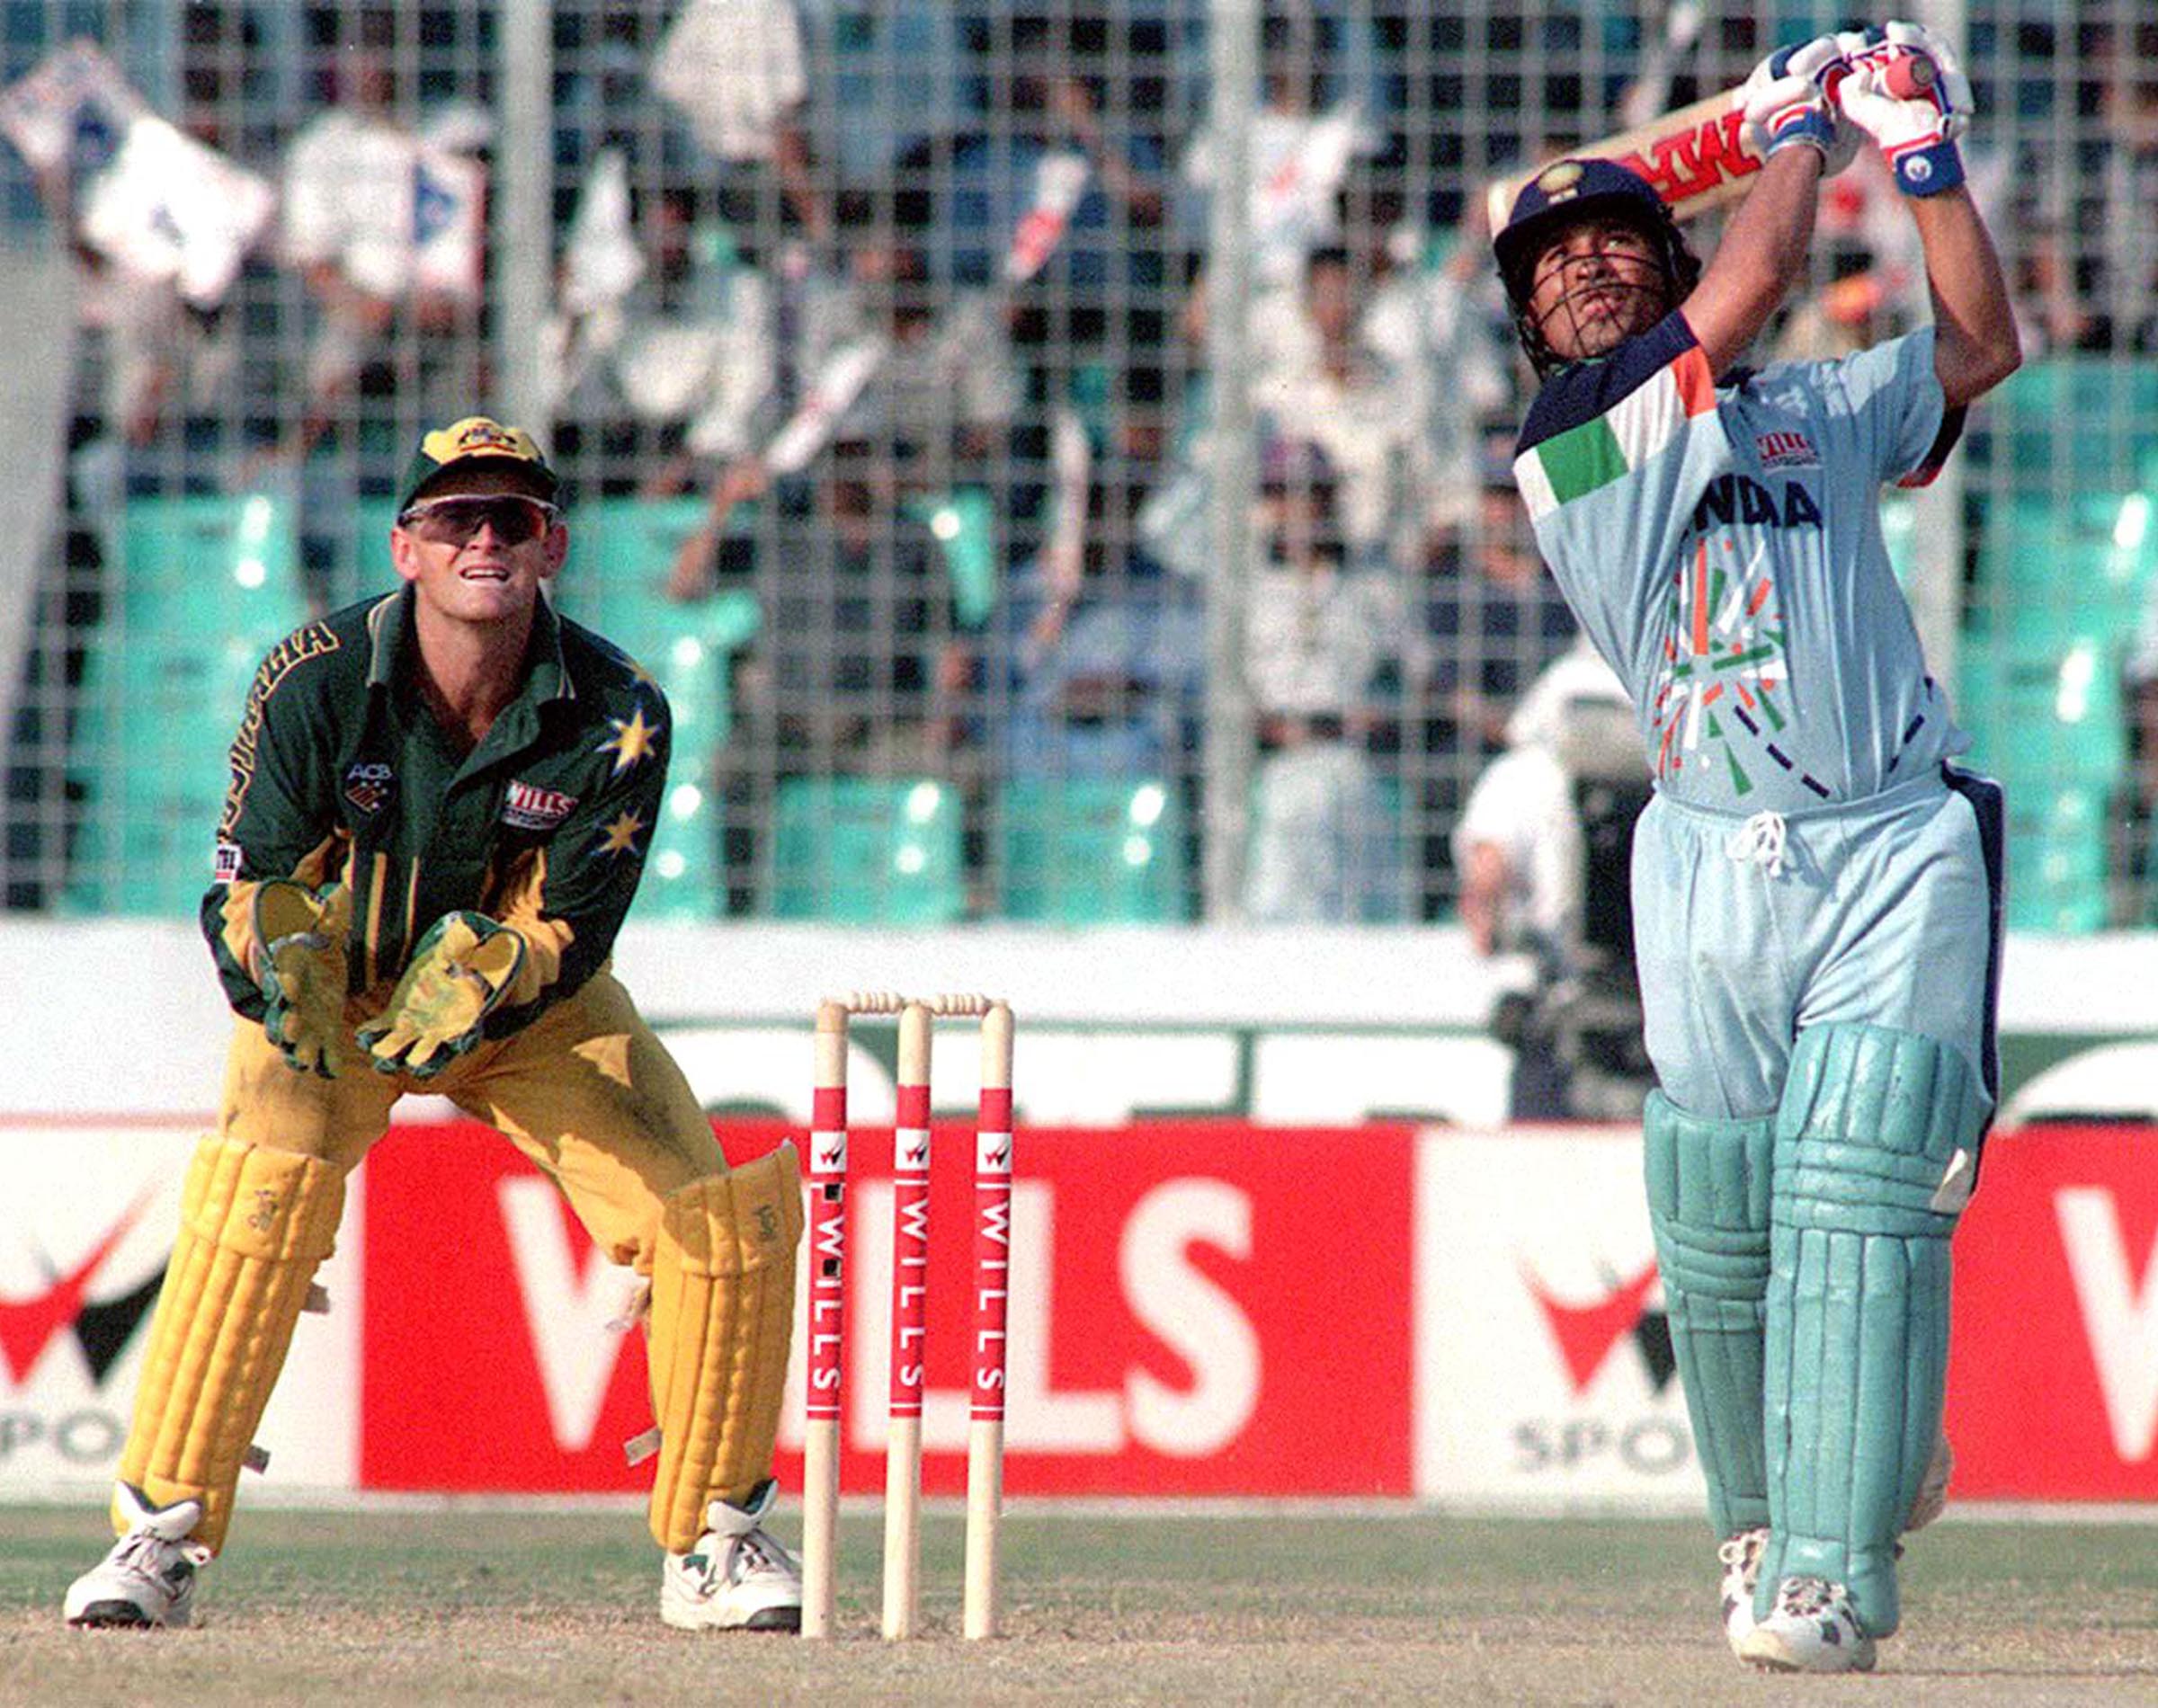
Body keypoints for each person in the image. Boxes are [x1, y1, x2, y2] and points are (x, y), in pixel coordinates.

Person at [62, 417, 804, 1634]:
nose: (485, 538)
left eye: (512, 518)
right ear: (406, 546)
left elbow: (578, 922)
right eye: (456, 517)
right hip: (338, 1004)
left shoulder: (618, 709)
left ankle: (718, 1541)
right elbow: (248, 879)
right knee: (262, 1193)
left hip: (523, 1015)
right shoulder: (311, 673)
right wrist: (284, 957)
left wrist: (499, 960)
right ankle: (158, 1535)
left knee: (706, 1217)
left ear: (553, 544)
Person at [1491, 22, 2019, 1675]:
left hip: (1884, 835)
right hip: (1705, 855)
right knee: (1715, 1198)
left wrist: (1917, 154)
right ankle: (1761, 1514)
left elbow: (1981, 344)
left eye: (1611, 244)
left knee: (1855, 1173)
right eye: (1553, 264)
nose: (1582, 271)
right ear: (1533, 328)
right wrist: (1800, 129)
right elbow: (1768, 263)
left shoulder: (1806, 413)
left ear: (1663, 261)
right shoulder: (1574, 444)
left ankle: (1834, 1571)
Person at [1454, 642, 1651, 1120]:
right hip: (1660, 1020)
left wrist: (1500, 934)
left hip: (1561, 1016)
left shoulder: (1520, 777)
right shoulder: (1678, 783)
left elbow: (1486, 888)